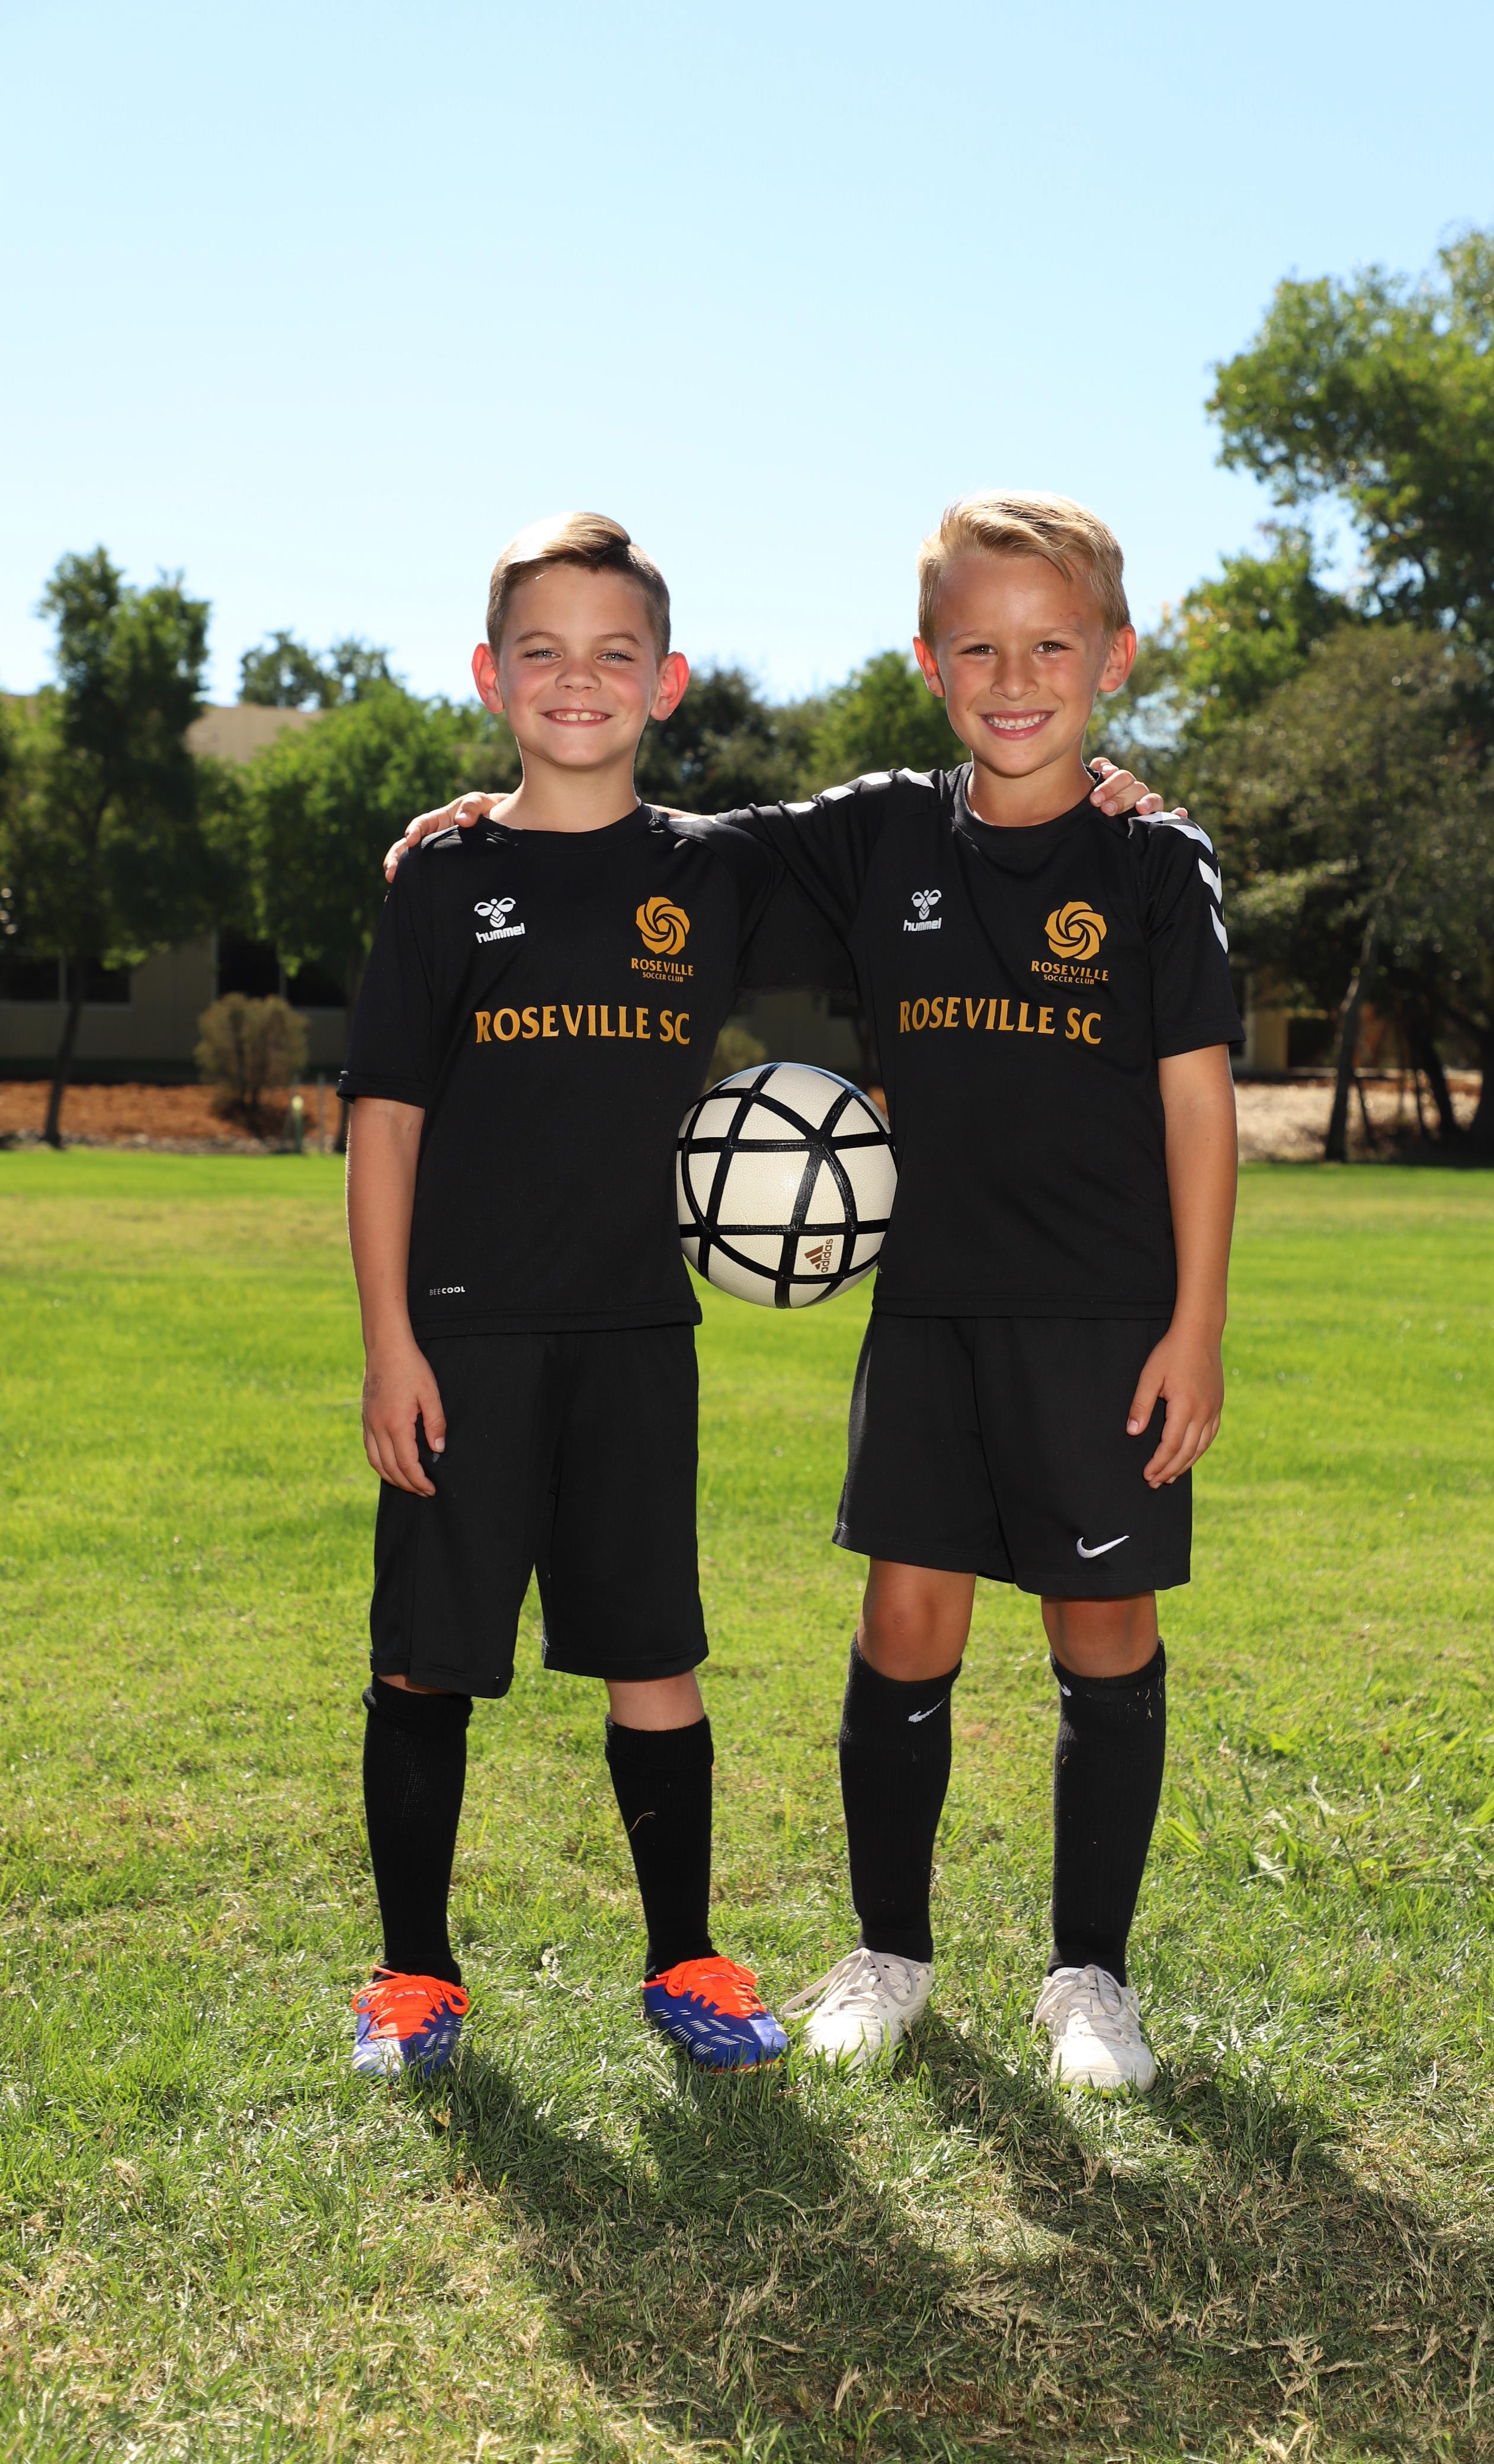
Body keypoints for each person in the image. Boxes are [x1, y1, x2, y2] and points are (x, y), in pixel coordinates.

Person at [389, 491, 1237, 2092]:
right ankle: (890, 1949)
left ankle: (1091, 1975)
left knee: (1103, 1626)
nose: (1015, 679)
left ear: (1113, 659)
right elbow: (654, 839)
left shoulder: (1150, 857)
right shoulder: (881, 833)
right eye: (978, 648)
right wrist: (494, 813)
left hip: (1107, 1315)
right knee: (904, 1622)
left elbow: (1199, 1104)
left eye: (1052, 647)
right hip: (927, 1306)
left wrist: (1196, 1328)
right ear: (929, 662)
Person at [342, 511, 831, 2078]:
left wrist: (1104, 788)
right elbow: (386, 1124)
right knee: (427, 1656)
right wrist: (390, 1345)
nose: (579, 679)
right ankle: (414, 1975)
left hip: (635, 1330)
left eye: (615, 653)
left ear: (666, 683)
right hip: (464, 1333)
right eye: (542, 652)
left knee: (652, 1653)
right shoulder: (442, 878)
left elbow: (924, 840)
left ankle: (686, 1959)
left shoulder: (716, 868)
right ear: (491, 676)